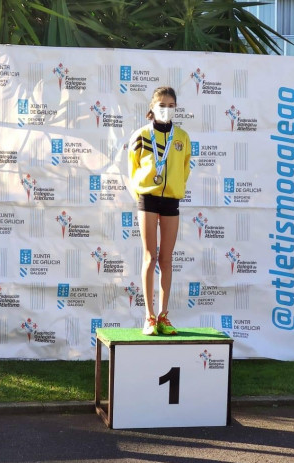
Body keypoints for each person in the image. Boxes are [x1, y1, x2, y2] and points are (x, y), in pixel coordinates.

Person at [128, 87, 191, 335]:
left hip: (171, 201)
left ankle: (164, 316)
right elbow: (132, 168)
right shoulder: (141, 135)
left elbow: (185, 168)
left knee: (166, 259)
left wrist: (176, 187)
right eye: (162, 104)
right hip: (148, 199)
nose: (166, 109)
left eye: (171, 104)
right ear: (152, 107)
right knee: (149, 257)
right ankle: (149, 316)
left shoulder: (182, 137)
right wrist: (141, 193)